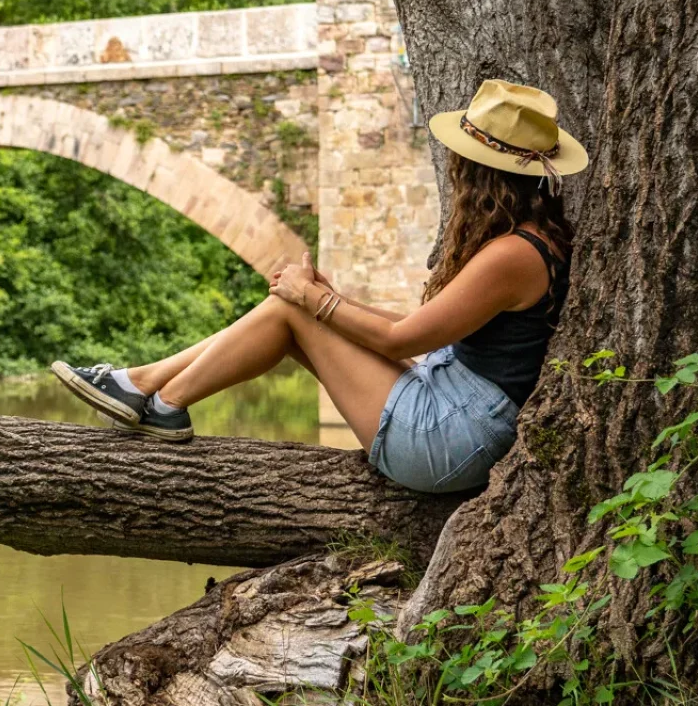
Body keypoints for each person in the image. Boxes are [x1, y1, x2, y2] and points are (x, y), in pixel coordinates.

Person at [50, 79, 585, 494]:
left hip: (451, 437)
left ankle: (161, 400)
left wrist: (316, 302)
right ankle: (146, 387)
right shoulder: (528, 240)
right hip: (456, 406)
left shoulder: (513, 254)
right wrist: (330, 299)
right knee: (292, 310)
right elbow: (414, 329)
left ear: (478, 170)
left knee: (292, 311)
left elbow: (403, 341)